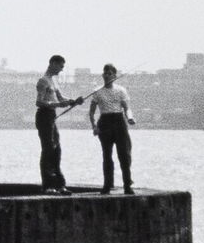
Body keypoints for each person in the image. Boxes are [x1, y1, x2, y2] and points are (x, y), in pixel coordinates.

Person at [34, 54, 83, 193]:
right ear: (53, 63)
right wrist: (59, 104)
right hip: (43, 116)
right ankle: (48, 185)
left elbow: (61, 98)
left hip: (51, 117)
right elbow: (39, 102)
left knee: (56, 149)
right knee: (48, 149)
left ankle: (59, 185)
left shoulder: (54, 81)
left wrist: (73, 101)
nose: (61, 70)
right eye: (61, 66)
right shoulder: (43, 81)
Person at [89, 63, 137, 194]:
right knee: (107, 155)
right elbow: (91, 112)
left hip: (119, 122)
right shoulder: (97, 91)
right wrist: (94, 126)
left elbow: (127, 108)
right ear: (102, 75)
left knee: (124, 154)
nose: (107, 75)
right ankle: (107, 185)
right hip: (104, 122)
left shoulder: (121, 90)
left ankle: (127, 185)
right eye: (105, 73)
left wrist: (130, 118)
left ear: (115, 75)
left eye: (110, 73)